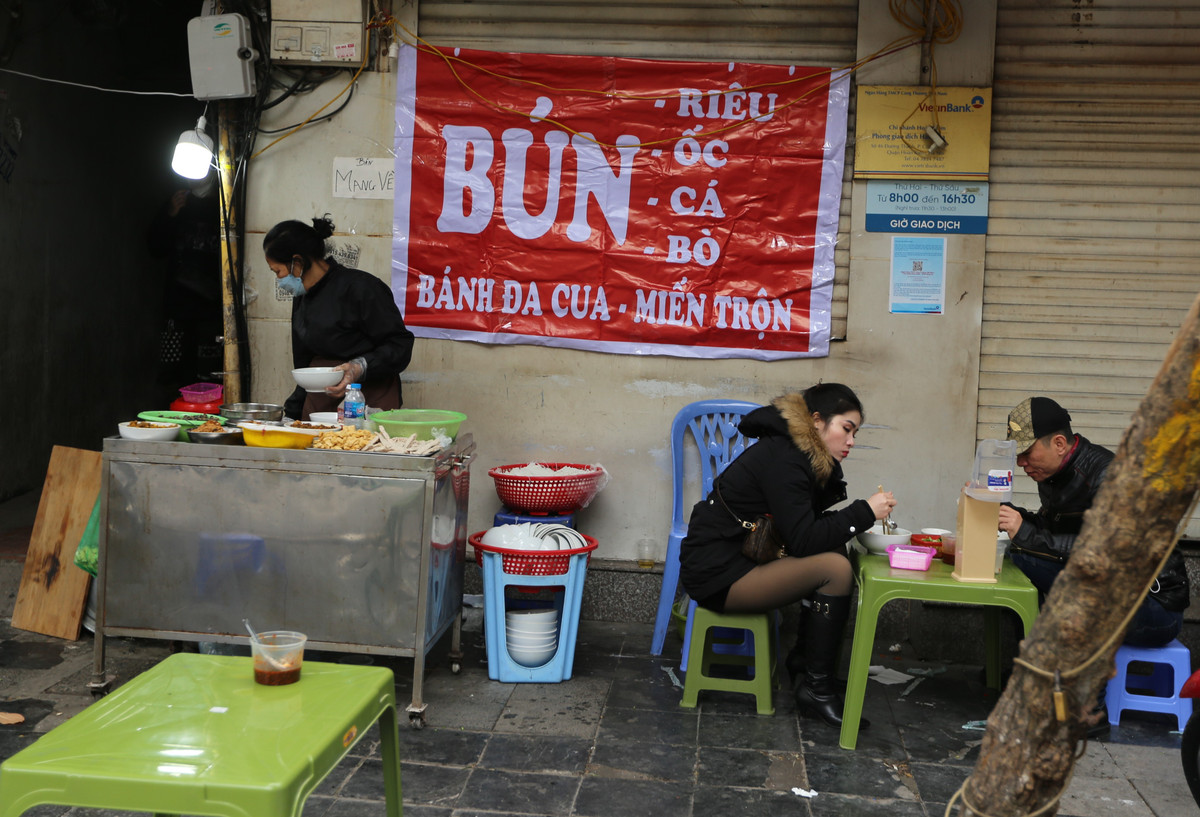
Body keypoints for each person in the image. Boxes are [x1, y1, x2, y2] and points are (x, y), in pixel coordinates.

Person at [679, 384, 896, 726]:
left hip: (738, 558)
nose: (851, 441)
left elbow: (803, 531)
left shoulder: (796, 453)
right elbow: (804, 540)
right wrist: (863, 512)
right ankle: (816, 690)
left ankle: (806, 664)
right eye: (847, 429)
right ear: (816, 420)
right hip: (719, 573)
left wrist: (851, 520)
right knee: (835, 569)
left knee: (835, 547)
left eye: (855, 432)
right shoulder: (786, 459)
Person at [999, 396, 1190, 728]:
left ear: (1059, 443)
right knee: (1020, 560)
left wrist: (1024, 534)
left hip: (1154, 606)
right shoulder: (1054, 475)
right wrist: (1012, 517)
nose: (1022, 464)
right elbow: (1054, 534)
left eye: (1027, 454)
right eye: (1018, 456)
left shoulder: (1108, 476)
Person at [263, 217, 415, 420]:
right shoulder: (302, 298)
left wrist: (359, 367)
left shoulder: (362, 288)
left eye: (278, 271)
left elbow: (400, 345)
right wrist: (290, 416)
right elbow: (304, 366)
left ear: (297, 262)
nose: (279, 280)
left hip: (370, 398)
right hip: (321, 402)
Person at [147, 174, 223, 394]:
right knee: (176, 373)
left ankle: (208, 422)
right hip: (179, 305)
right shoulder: (178, 202)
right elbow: (155, 247)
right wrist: (171, 214)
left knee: (210, 373)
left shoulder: (223, 203)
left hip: (212, 306)